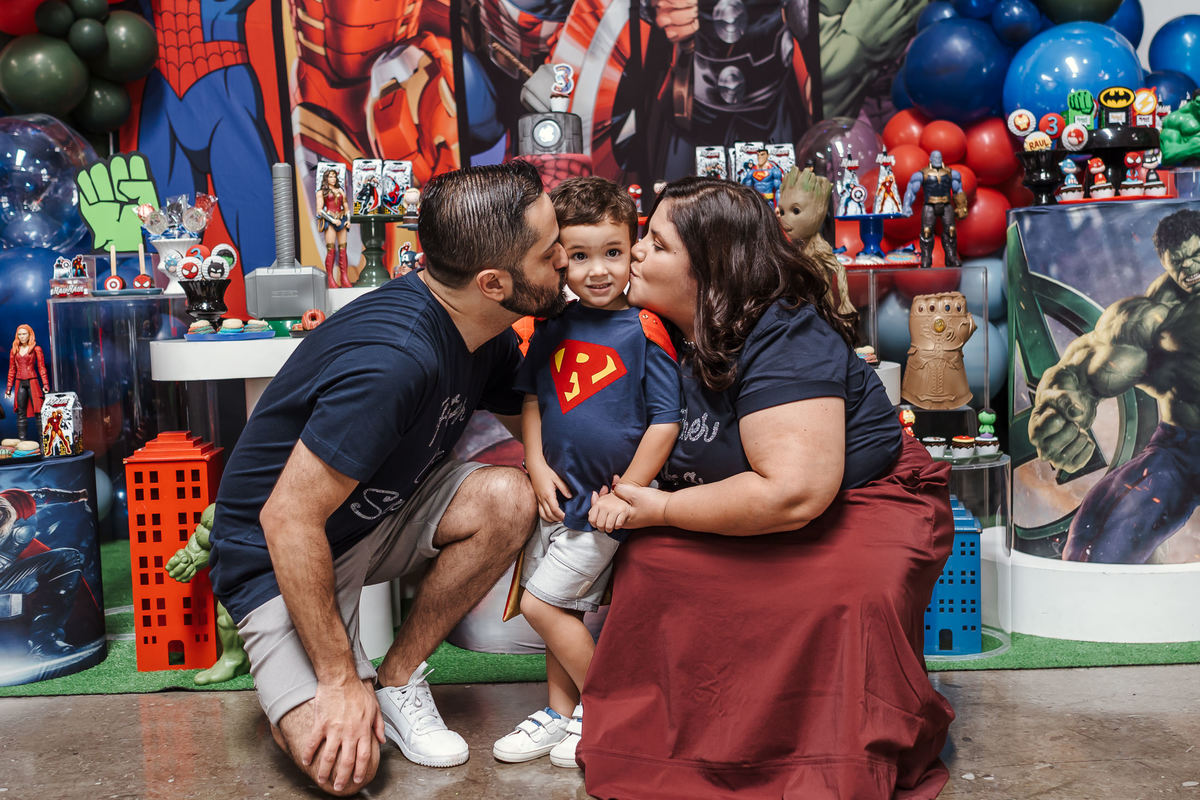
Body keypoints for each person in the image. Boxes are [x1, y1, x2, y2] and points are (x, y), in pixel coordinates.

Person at [576, 178, 955, 798]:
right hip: (736, 496)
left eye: (658, 245)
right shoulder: (644, 328)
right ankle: (680, 752)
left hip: (855, 496)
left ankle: (822, 763)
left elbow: (794, 494)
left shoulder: (785, 335)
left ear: (713, 270)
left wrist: (664, 507)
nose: (636, 253)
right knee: (652, 567)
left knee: (845, 596)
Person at [209, 160, 568, 797]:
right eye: (550, 251)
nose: (564, 259)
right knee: (344, 770)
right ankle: (328, 682)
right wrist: (339, 678)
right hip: (281, 551)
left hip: (377, 515)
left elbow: (542, 428)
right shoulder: (396, 361)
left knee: (510, 497)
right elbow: (286, 518)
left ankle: (398, 676)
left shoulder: (479, 327)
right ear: (493, 282)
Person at [491, 177, 682, 768]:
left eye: (613, 253)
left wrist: (627, 494)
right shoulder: (550, 326)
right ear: (558, 261)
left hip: (604, 504)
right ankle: (561, 713)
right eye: (579, 256)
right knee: (561, 611)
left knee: (539, 605)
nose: (597, 270)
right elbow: (531, 401)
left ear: (633, 251)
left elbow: (665, 422)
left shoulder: (647, 330)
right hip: (558, 496)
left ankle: (610, 709)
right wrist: (536, 464)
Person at [1029, 208, 1200, 564]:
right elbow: (1080, 368)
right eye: (1179, 263)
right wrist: (1058, 408)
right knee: (1097, 534)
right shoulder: (1157, 315)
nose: (1190, 270)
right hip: (1184, 449)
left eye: (1197, 255)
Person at [6, 325, 49, 441]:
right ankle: (22, 442)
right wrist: (9, 388)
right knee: (20, 413)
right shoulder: (14, 350)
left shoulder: (36, 349)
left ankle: (43, 442)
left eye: (24, 334)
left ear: (30, 334)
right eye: (19, 334)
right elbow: (12, 369)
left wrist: (45, 384)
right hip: (20, 382)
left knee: (38, 412)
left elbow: (41, 367)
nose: (22, 336)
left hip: (32, 381)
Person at [316, 167, 352, 289]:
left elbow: (346, 206)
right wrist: (332, 220)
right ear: (325, 178)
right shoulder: (321, 192)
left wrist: (348, 220)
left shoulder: (340, 191)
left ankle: (344, 278)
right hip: (330, 221)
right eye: (330, 176)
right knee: (331, 250)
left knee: (343, 250)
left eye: (334, 176)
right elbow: (319, 210)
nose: (333, 178)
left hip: (341, 220)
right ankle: (330, 278)